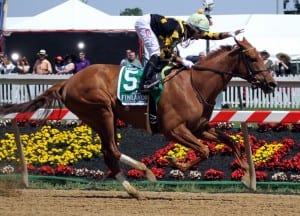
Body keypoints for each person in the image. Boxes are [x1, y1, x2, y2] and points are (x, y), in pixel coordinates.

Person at [134, 10, 244, 92]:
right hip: (145, 24)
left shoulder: (190, 30)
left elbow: (212, 36)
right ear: (194, 29)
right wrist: (183, 61)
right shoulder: (177, 31)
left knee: (163, 56)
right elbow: (165, 53)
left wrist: (229, 33)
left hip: (157, 29)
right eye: (201, 32)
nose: (202, 35)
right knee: (156, 53)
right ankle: (145, 83)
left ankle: (156, 77)